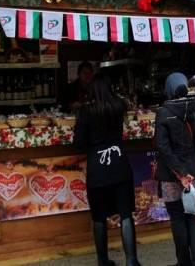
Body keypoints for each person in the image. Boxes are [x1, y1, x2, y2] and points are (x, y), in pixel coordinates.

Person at [74, 73, 140, 266]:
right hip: (120, 165)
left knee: (99, 216)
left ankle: (103, 261)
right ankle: (131, 260)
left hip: (98, 169)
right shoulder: (119, 107)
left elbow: (78, 144)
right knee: (126, 213)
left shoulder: (86, 112)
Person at [155, 73, 195, 266]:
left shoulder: (164, 112)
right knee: (192, 216)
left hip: (171, 175)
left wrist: (179, 171)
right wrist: (189, 169)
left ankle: (183, 261)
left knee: (177, 218)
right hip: (191, 173)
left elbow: (162, 146)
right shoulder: (194, 109)